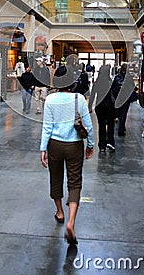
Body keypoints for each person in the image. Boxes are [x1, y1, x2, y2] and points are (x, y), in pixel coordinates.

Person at [40, 65, 94, 246]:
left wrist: (42, 149)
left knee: (56, 178)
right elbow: (89, 125)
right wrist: (91, 145)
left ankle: (60, 212)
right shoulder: (79, 99)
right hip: (74, 145)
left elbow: (47, 126)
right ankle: (71, 222)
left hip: (54, 144)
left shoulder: (50, 99)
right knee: (75, 181)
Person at [88, 64, 116, 152]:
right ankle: (110, 142)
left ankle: (102, 145)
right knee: (111, 124)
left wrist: (89, 107)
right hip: (110, 106)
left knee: (101, 125)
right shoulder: (110, 81)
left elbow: (92, 95)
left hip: (99, 106)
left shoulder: (97, 82)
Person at [112, 63, 135, 137]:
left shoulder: (116, 77)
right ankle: (121, 129)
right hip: (126, 98)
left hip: (118, 98)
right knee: (124, 114)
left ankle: (119, 125)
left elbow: (113, 88)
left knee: (118, 112)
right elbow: (132, 87)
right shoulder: (129, 77)